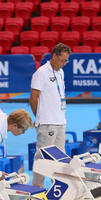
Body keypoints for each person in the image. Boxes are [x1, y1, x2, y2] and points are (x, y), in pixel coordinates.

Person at [30, 43, 71, 187]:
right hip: (47, 122)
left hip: (60, 121)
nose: (65, 63)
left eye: (67, 61)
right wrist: (40, 118)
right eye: (63, 60)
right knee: (42, 157)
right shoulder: (41, 73)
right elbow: (33, 98)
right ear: (54, 56)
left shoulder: (60, 72)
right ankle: (36, 188)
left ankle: (58, 186)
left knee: (60, 157)